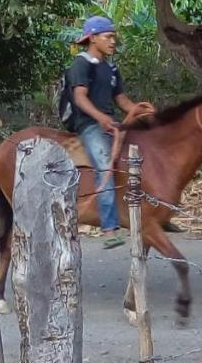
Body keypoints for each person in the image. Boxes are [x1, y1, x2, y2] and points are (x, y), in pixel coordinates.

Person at [65, 15, 154, 247]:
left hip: (109, 123)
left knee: (141, 159)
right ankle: (108, 228)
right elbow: (79, 98)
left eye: (114, 37)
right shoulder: (81, 64)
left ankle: (152, 216)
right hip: (89, 126)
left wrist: (138, 109)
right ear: (93, 38)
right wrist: (101, 118)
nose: (113, 41)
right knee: (105, 166)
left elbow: (121, 99)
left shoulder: (111, 68)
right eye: (108, 36)